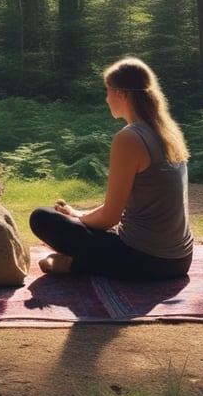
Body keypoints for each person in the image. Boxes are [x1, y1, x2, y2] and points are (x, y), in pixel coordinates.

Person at [30, 57, 193, 281]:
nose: (107, 99)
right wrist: (78, 214)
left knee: (41, 217)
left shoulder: (130, 137)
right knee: (72, 221)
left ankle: (76, 265)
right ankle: (84, 261)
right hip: (181, 260)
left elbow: (110, 218)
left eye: (108, 91)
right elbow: (123, 208)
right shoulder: (167, 132)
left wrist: (75, 222)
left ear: (121, 93)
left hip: (147, 260)